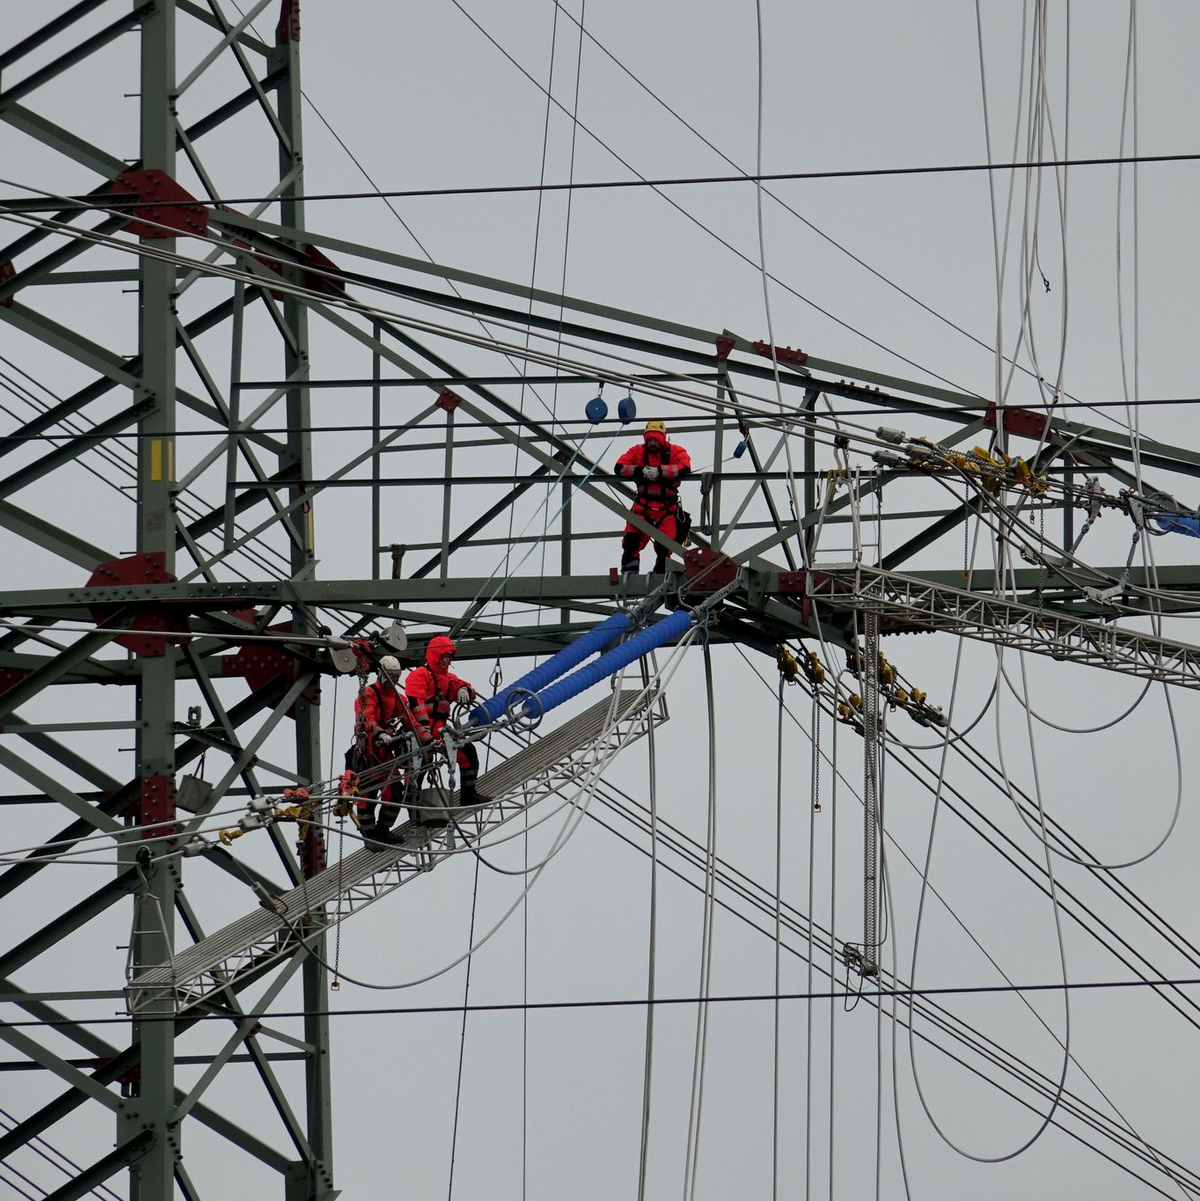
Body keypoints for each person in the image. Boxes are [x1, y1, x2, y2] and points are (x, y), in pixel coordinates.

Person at [405, 635, 492, 809]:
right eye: (442, 656)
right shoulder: (419, 675)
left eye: (448, 656)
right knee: (419, 767)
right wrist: (426, 733)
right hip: (421, 731)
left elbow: (463, 686)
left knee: (467, 753)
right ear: (433, 655)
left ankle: (468, 795)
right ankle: (413, 807)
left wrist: (464, 689)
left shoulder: (448, 678)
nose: (445, 660)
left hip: (440, 730)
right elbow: (416, 704)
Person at [352, 655, 416, 846]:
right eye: (391, 676)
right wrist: (380, 733)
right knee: (367, 794)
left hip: (385, 752)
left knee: (395, 790)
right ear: (381, 674)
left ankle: (382, 830)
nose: (393, 681)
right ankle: (370, 836)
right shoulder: (368, 694)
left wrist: (428, 738)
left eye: (396, 677)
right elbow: (367, 719)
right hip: (369, 751)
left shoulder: (396, 698)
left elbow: (409, 720)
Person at [615, 420, 692, 574]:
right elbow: (619, 467)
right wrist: (641, 471)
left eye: (655, 439)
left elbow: (685, 468)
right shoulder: (637, 451)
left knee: (665, 547)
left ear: (663, 439)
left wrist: (660, 472)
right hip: (643, 507)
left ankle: (660, 576)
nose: (652, 443)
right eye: (649, 439)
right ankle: (629, 577)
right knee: (631, 540)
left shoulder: (675, 451)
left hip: (667, 509)